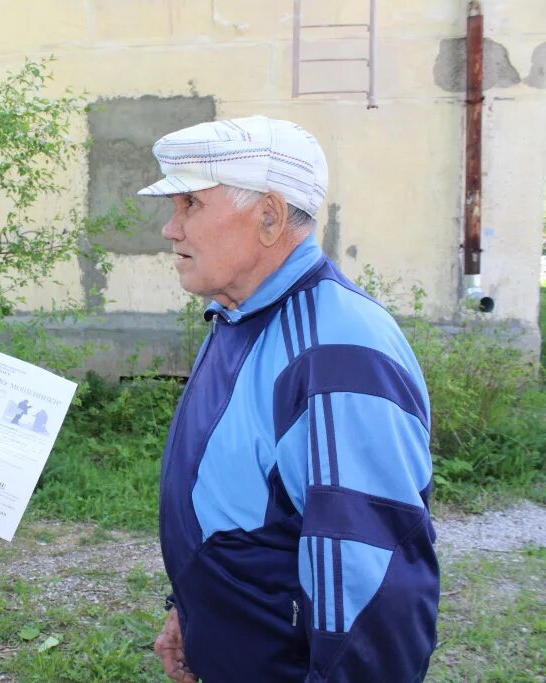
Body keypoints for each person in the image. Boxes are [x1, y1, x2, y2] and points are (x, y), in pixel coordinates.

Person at [140, 116, 439, 682]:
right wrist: (190, 611)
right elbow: (243, 509)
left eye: (190, 205)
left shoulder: (333, 352)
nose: (170, 229)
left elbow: (375, 595)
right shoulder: (241, 316)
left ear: (270, 217)